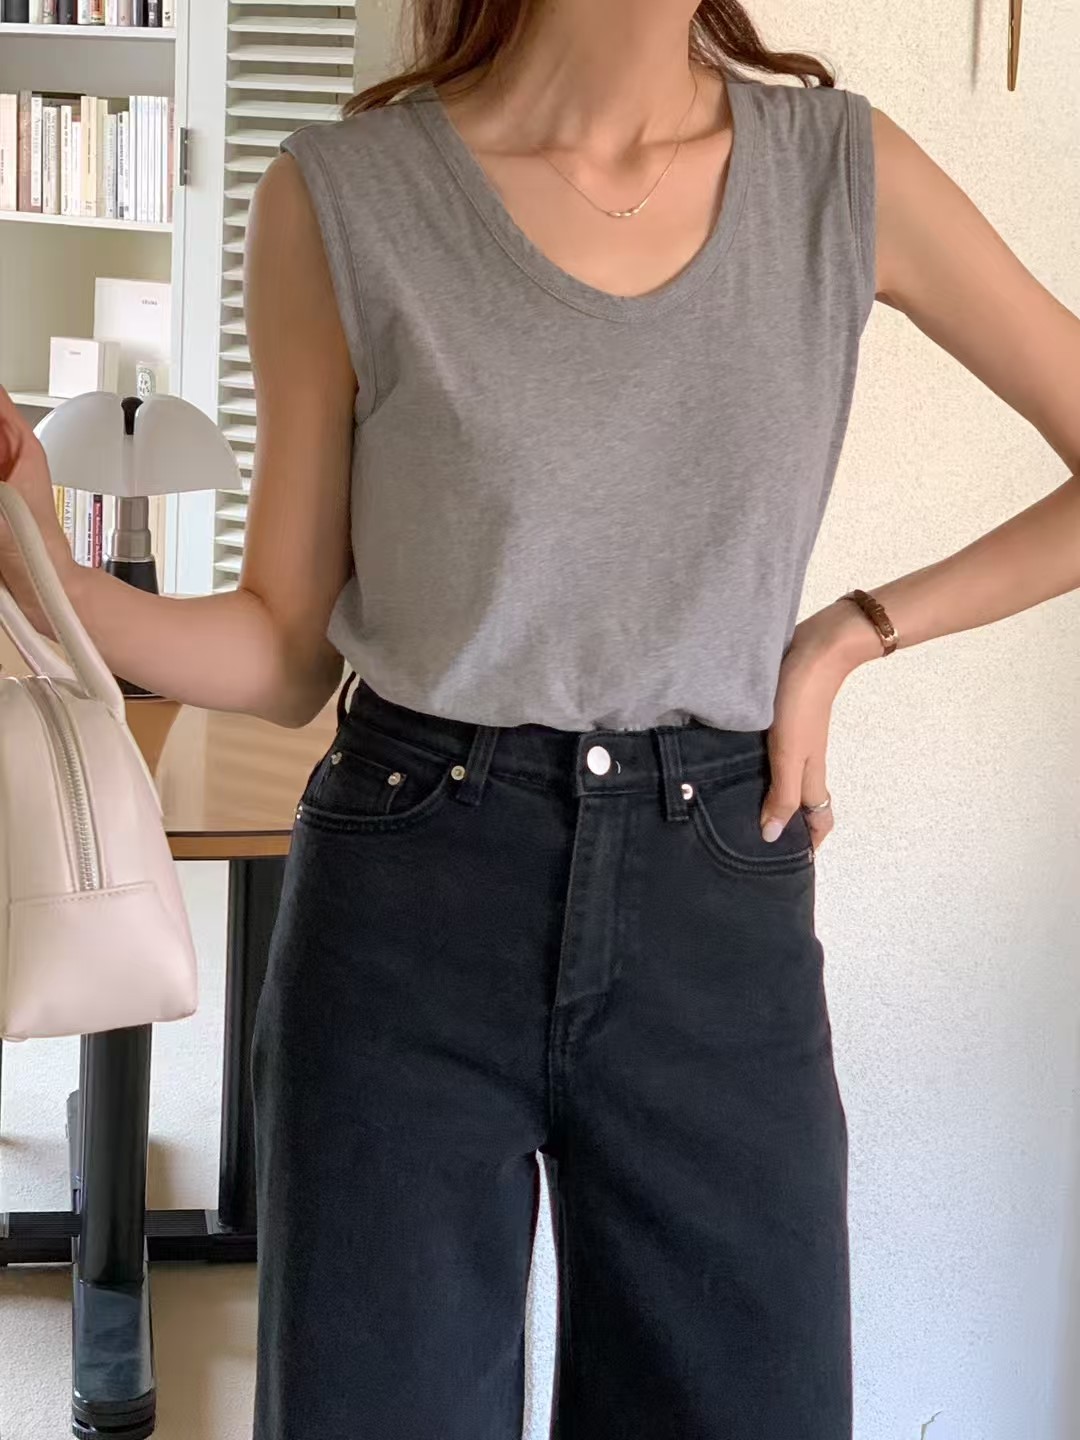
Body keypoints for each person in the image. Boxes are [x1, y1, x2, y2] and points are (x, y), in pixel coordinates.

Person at [2, 1, 1079, 1436]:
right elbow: (282, 651)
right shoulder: (344, 196)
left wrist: (847, 636)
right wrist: (46, 564)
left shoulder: (840, 171)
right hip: (409, 897)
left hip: (716, 905)